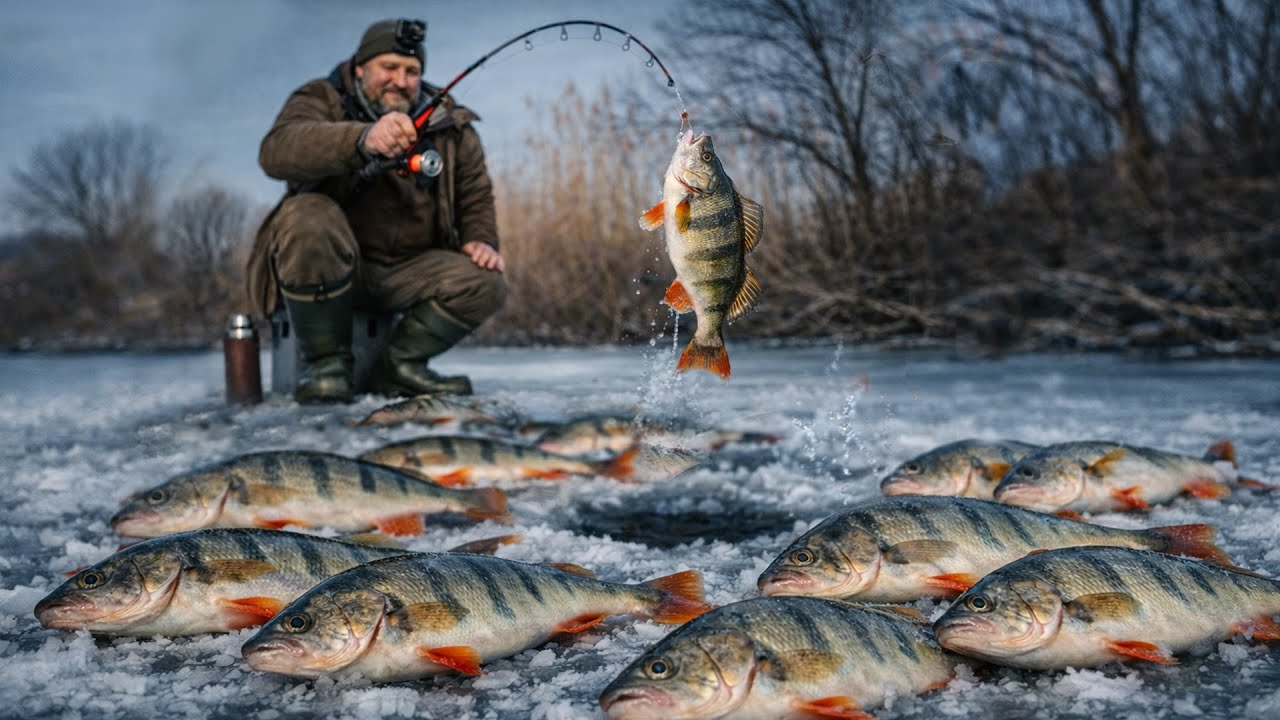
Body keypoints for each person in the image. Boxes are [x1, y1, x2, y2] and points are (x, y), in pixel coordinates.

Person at [245, 18, 506, 403]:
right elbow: (277, 151)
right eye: (389, 68)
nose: (400, 81)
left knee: (486, 281)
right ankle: (326, 368)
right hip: (334, 268)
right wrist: (363, 139)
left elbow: (476, 195)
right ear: (360, 68)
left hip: (409, 273)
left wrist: (480, 239)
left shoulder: (453, 125)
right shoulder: (321, 98)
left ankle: (399, 367)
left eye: (412, 71)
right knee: (306, 216)